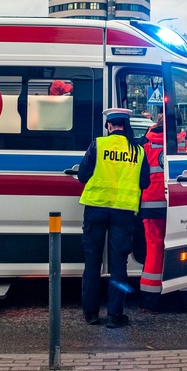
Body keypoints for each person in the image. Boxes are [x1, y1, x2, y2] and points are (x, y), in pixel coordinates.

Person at [78, 107, 150, 328]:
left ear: (109, 126)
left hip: (96, 208)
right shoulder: (138, 151)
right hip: (123, 212)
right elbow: (145, 183)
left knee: (92, 262)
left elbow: (82, 176)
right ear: (126, 126)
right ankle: (114, 317)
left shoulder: (98, 145)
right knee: (119, 265)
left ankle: (91, 314)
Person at [139, 113, 187, 313]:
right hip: (179, 202)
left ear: (157, 124)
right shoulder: (184, 144)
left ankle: (150, 303)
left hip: (151, 202)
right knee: (183, 250)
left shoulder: (146, 144)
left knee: (154, 250)